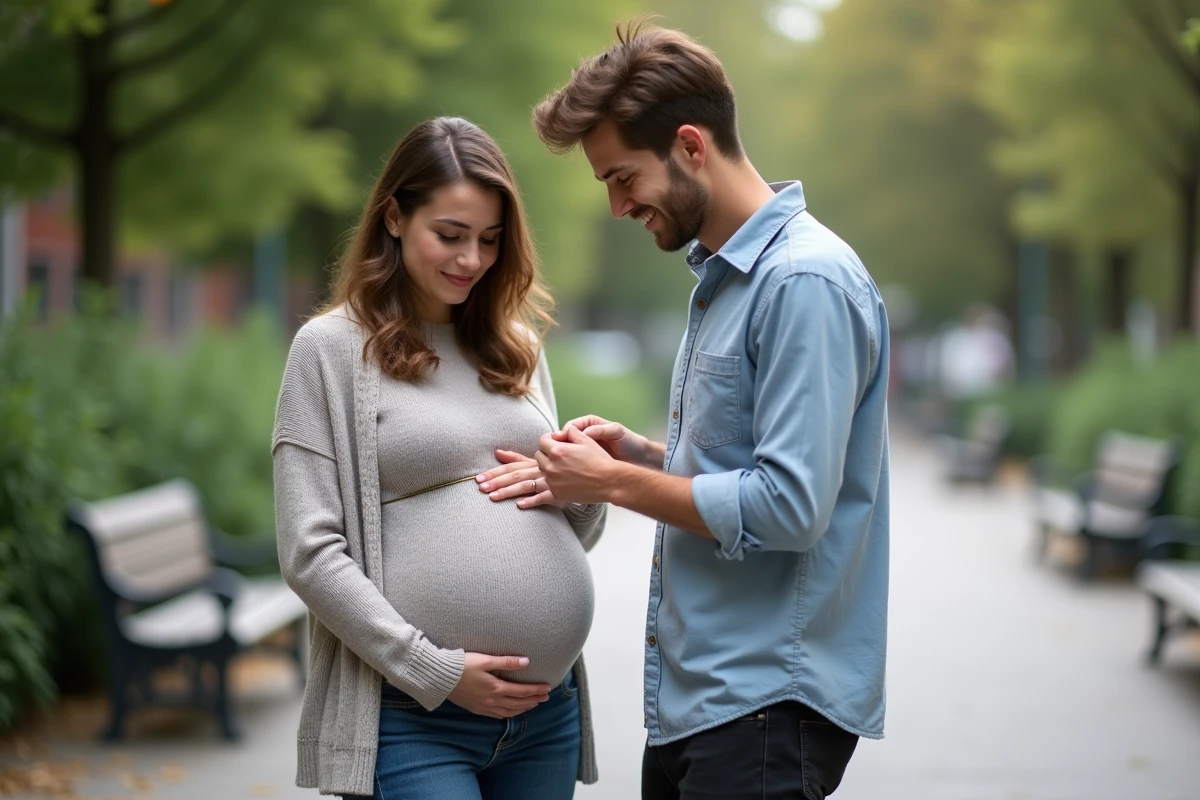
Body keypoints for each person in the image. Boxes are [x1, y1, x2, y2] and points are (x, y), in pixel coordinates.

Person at [525, 21, 890, 800]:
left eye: (623, 178)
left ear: (691, 146)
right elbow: (751, 467)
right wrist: (644, 458)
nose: (619, 206)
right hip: (712, 708)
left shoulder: (803, 283)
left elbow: (790, 507)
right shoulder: (731, 281)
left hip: (766, 709)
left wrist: (611, 486)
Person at [272, 116, 606, 800]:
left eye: (489, 240)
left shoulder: (515, 345)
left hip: (545, 712)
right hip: (412, 716)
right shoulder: (331, 350)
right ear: (394, 216)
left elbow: (579, 529)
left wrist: (578, 487)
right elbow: (309, 551)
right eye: (450, 236)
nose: (471, 260)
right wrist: (431, 669)